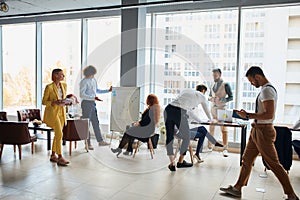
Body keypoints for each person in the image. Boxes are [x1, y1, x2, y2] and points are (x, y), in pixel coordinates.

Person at [220, 66, 299, 200]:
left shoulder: (267, 90)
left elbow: (269, 114)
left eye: (251, 81)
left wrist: (248, 115)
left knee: (274, 164)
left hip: (263, 131)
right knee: (247, 159)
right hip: (257, 130)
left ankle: (291, 195)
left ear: (257, 76)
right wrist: (247, 116)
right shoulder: (264, 90)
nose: (251, 84)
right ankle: (237, 188)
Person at [164, 84, 213, 171]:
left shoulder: (186, 90)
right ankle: (180, 162)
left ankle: (172, 164)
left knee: (169, 137)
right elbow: (206, 110)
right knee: (186, 137)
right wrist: (211, 119)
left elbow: (181, 101)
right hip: (179, 112)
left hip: (168, 109)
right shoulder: (202, 96)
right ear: (204, 91)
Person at [187, 84, 223, 163]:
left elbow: (193, 116)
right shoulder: (194, 102)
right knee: (203, 132)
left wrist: (202, 120)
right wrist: (210, 120)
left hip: (186, 127)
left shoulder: (191, 100)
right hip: (184, 131)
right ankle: (198, 153)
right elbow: (194, 115)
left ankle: (210, 144)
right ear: (203, 91)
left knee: (202, 128)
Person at [42, 68, 70, 166]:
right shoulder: (49, 87)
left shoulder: (64, 85)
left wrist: (67, 102)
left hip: (62, 112)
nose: (63, 76)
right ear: (56, 75)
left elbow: (63, 98)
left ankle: (53, 155)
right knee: (59, 134)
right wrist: (53, 102)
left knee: (58, 134)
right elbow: (44, 102)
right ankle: (60, 157)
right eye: (62, 74)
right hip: (53, 113)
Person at [79, 65, 111, 150]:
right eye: (92, 74)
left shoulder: (94, 80)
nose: (93, 75)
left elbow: (97, 91)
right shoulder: (84, 82)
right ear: (88, 73)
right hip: (86, 104)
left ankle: (100, 141)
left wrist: (108, 90)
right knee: (87, 124)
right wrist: (93, 98)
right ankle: (88, 143)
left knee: (96, 122)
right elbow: (82, 95)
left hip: (92, 104)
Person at [209, 68, 233, 157]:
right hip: (213, 109)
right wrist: (211, 99)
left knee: (224, 129)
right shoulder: (212, 84)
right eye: (213, 75)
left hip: (223, 109)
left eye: (215, 75)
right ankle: (210, 146)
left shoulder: (226, 85)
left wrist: (222, 99)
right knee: (211, 128)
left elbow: (231, 97)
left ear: (220, 75)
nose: (214, 77)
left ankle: (225, 148)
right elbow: (209, 96)